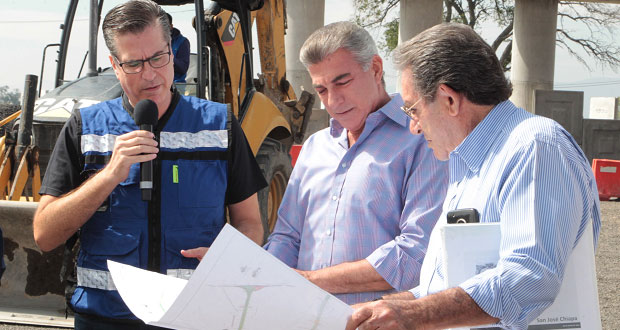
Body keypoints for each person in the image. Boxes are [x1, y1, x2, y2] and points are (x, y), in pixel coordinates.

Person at [347, 22, 602, 330]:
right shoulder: (469, 166)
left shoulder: (535, 146)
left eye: (413, 110)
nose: (413, 127)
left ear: (449, 100)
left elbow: (529, 277)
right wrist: (386, 307)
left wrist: (413, 315)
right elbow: (447, 286)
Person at [32, 0, 266, 328]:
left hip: (197, 316)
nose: (150, 74)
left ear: (172, 51)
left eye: (158, 57)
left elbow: (251, 224)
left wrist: (228, 260)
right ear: (114, 65)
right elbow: (45, 235)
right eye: (134, 64)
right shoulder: (85, 127)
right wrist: (110, 175)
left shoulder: (219, 124)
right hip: (105, 319)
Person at [264, 21, 448, 305]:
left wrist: (308, 281)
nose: (333, 101)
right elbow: (287, 237)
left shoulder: (422, 141)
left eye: (342, 81)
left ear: (375, 68)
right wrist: (252, 275)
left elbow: (416, 254)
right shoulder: (315, 147)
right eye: (322, 90)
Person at [165, 12, 190, 83]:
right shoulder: (152, 41)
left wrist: (167, 56)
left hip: (176, 85)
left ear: (171, 26)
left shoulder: (182, 42)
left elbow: (183, 68)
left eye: (164, 25)